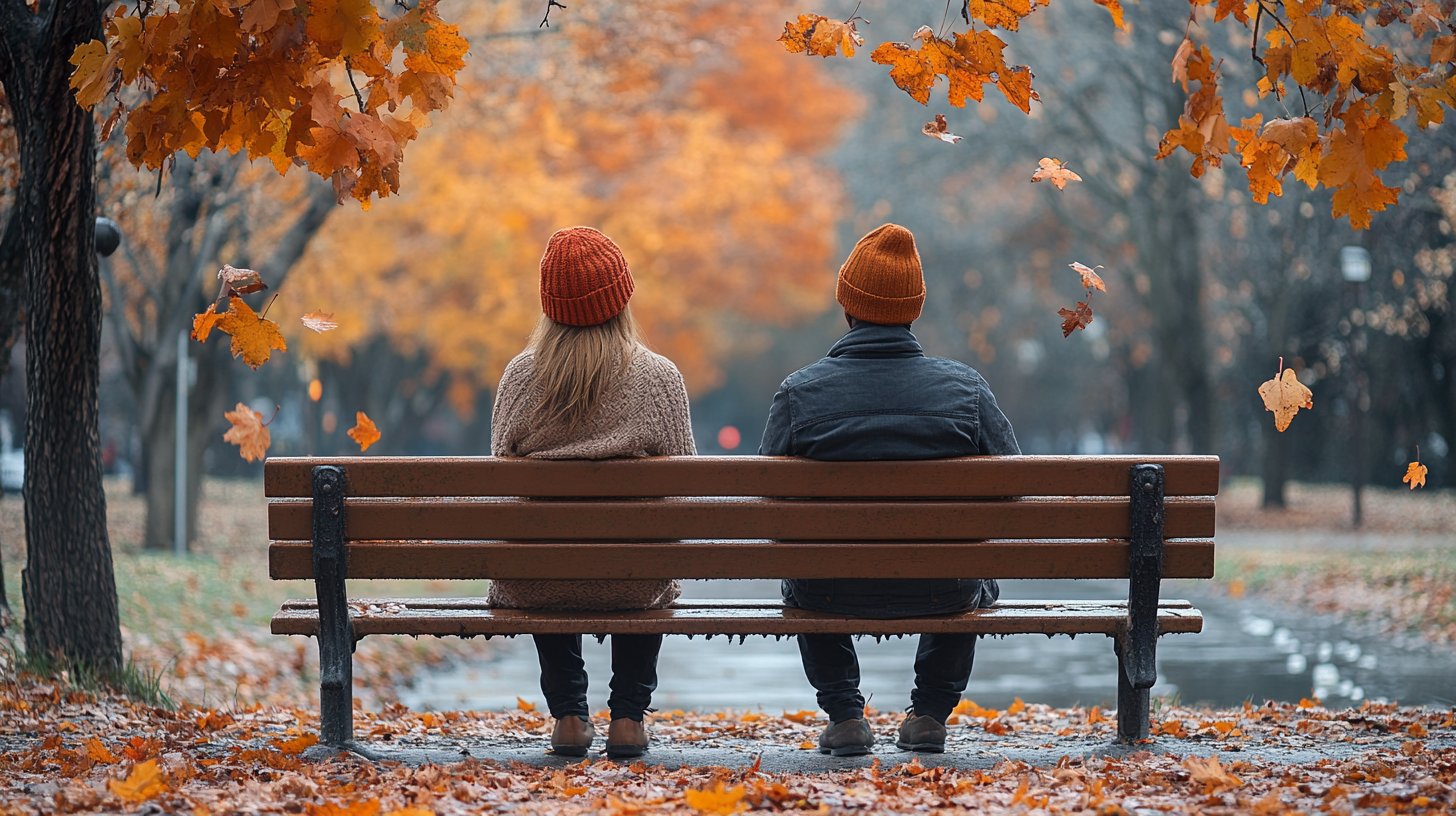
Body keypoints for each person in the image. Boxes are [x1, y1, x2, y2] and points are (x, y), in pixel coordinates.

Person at [758, 223, 1020, 756]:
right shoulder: (966, 389)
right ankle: (929, 714)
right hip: (942, 590)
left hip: (827, 590)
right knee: (967, 562)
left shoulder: (799, 392)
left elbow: (767, 502)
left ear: (847, 304)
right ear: (914, 309)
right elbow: (1014, 487)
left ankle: (846, 714)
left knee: (805, 561)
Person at [490, 226, 696, 758]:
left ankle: (569, 717)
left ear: (549, 305)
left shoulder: (520, 377)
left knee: (542, 552)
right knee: (643, 548)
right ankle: (627, 717)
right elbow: (688, 491)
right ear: (622, 297)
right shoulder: (659, 378)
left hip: (539, 582)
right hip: (634, 583)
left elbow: (500, 486)